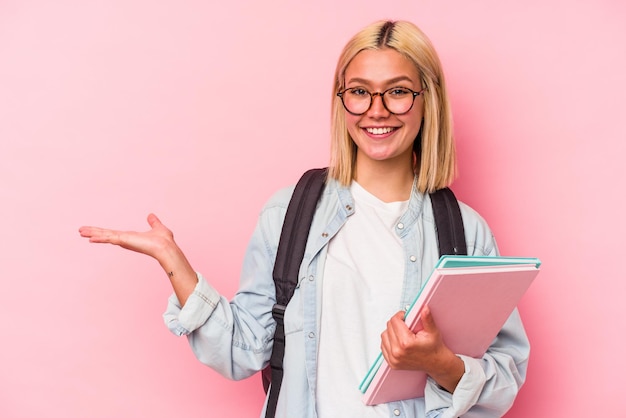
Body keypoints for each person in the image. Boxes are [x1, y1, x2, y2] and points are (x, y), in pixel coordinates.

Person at [79, 20, 529, 418]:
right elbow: (242, 351)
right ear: (341, 100)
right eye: (359, 91)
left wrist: (441, 364)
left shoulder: (465, 232)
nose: (376, 109)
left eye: (397, 91)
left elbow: (504, 379)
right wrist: (175, 263)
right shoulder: (289, 214)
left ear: (426, 101)